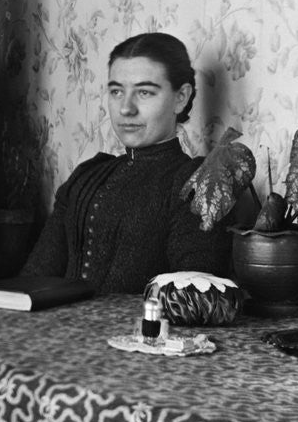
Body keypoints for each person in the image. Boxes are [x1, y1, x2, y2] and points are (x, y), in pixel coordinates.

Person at [21, 31, 231, 292]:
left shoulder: (195, 182)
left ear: (181, 97)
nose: (125, 108)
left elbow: (192, 299)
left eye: (144, 92)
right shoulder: (87, 176)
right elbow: (34, 279)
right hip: (57, 319)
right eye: (117, 91)